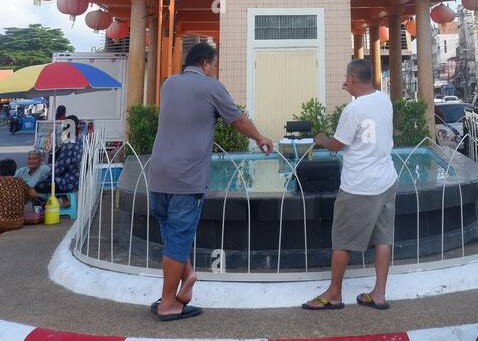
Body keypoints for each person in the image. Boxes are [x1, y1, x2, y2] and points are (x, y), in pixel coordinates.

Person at [147, 41, 274, 322]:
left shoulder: (168, 85)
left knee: (171, 235)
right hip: (186, 177)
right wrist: (261, 138)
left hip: (157, 174)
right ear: (205, 63)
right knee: (179, 238)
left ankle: (188, 275)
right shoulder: (211, 87)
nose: (213, 71)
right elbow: (237, 120)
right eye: (213, 66)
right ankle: (168, 302)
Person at [303, 58, 397, 311]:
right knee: (383, 238)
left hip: (360, 186)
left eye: (347, 78)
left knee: (342, 241)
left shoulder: (353, 110)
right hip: (387, 179)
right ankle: (379, 293)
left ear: (352, 79)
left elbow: (338, 144)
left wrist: (321, 139)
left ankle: (334, 294)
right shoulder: (383, 99)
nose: (345, 81)